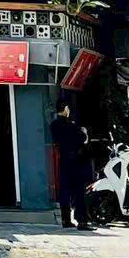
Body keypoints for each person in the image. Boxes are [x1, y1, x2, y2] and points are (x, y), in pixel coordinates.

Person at [50, 99, 92, 230]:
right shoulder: (71, 125)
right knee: (79, 191)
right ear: (65, 109)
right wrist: (84, 131)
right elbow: (83, 139)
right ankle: (82, 221)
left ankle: (66, 220)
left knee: (65, 191)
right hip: (75, 161)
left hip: (63, 160)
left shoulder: (53, 125)